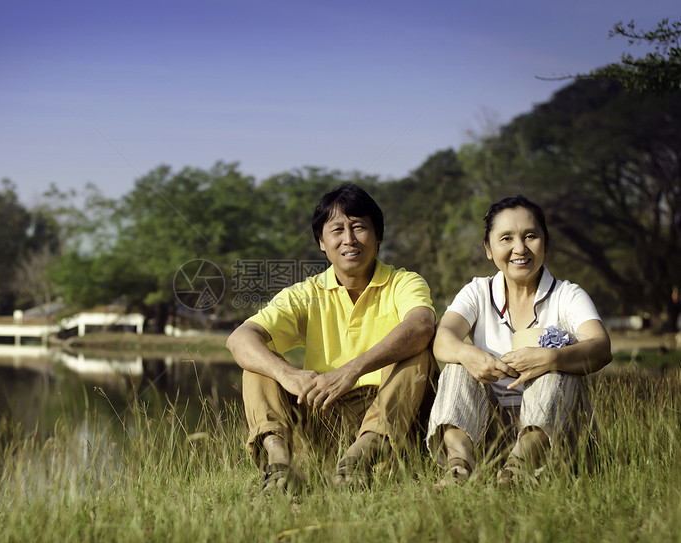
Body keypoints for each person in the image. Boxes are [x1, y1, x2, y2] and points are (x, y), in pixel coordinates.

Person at [226, 183, 438, 493]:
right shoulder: (306, 293)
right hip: (324, 412)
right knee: (258, 361)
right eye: (337, 230)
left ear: (378, 235)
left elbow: (421, 325)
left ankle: (363, 454)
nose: (349, 239)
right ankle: (279, 465)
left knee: (418, 351)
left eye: (359, 227)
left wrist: (351, 371)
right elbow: (239, 338)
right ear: (322, 242)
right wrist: (288, 375)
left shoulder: (403, 282)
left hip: (391, 416)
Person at [426, 195, 612, 488]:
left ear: (545, 243)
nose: (520, 249)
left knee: (558, 366)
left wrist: (551, 358)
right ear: (489, 249)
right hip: (489, 432)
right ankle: (459, 468)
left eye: (530, 236)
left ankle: (518, 468)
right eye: (506, 239)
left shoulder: (568, 295)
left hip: (555, 438)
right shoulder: (477, 291)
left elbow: (601, 347)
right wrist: (468, 353)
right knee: (457, 365)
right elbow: (442, 339)